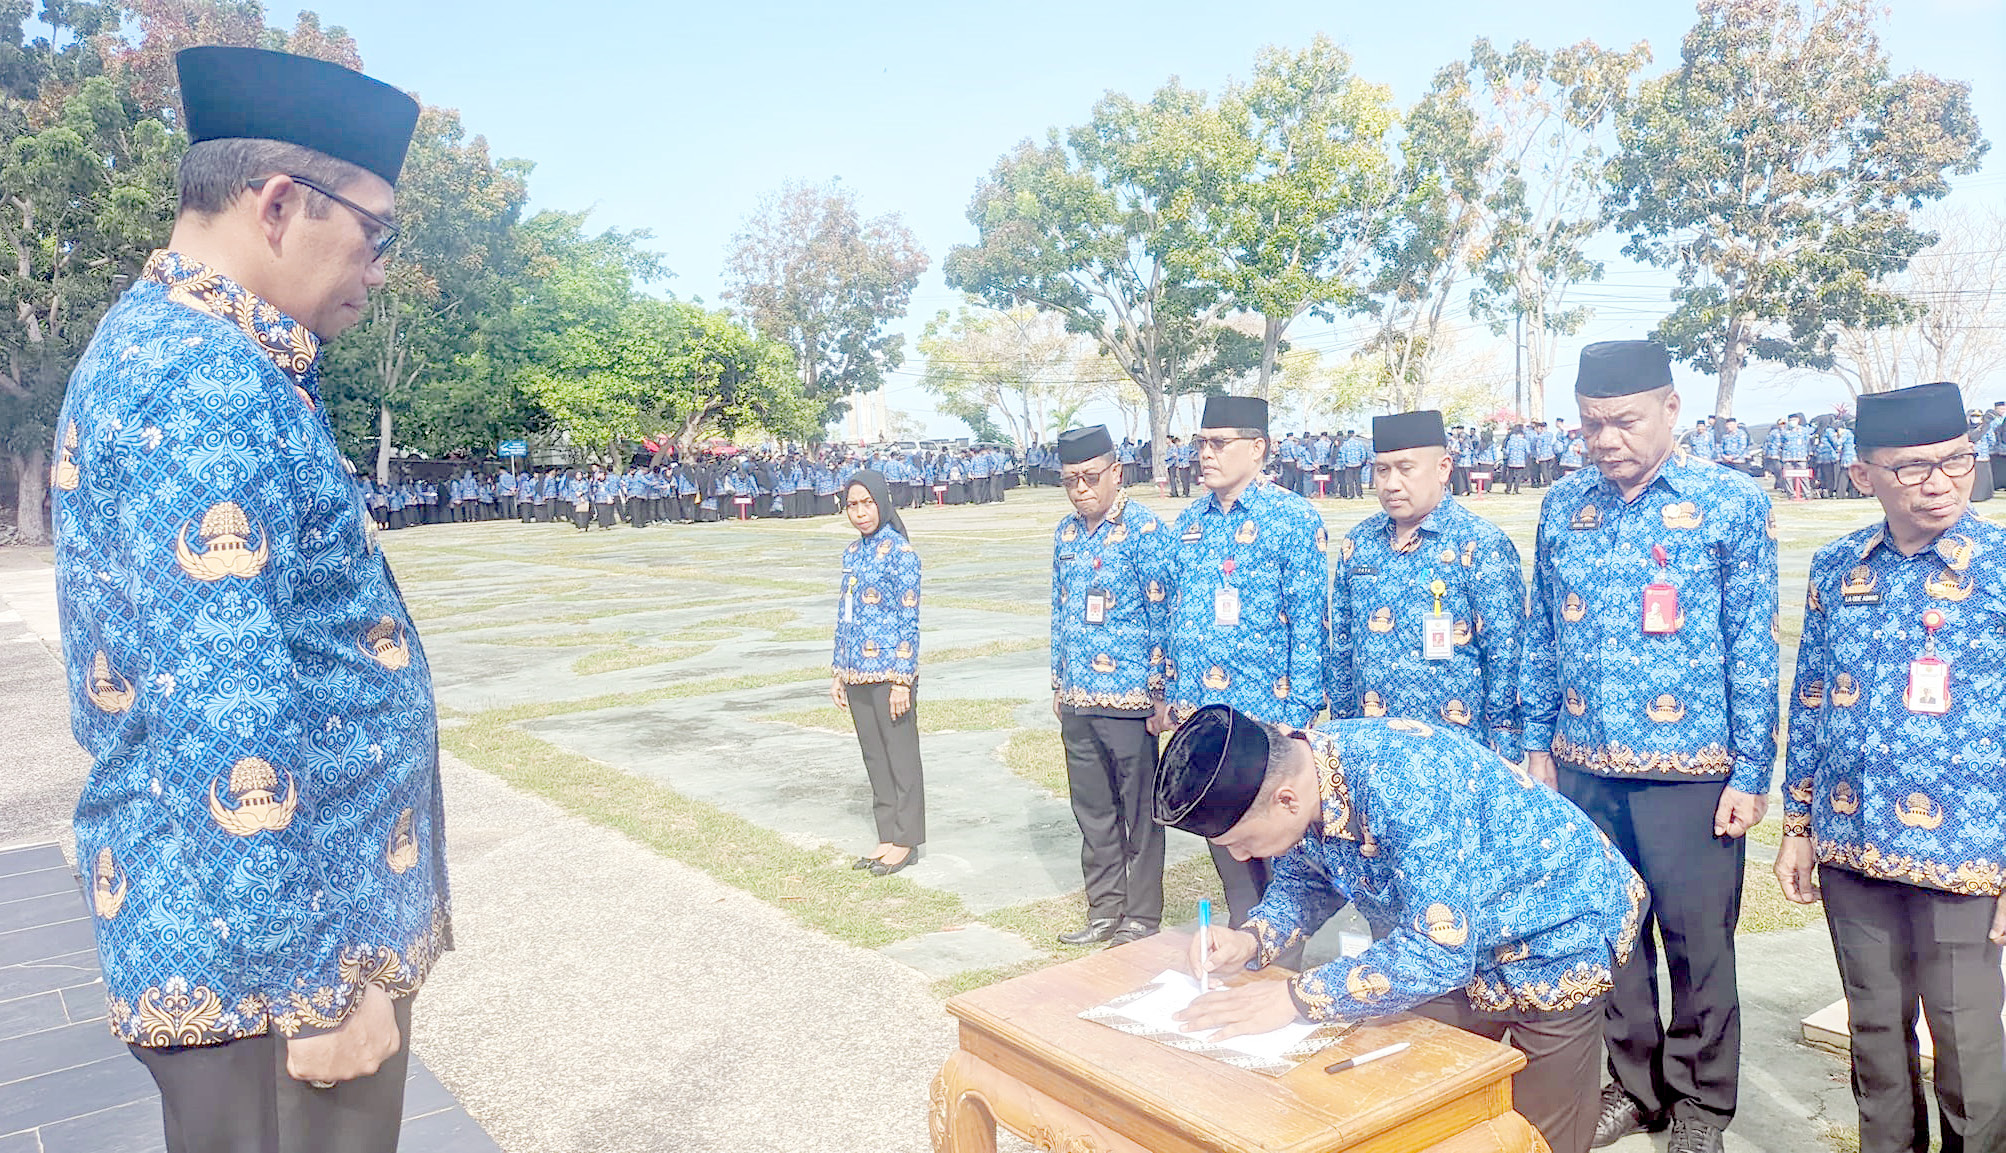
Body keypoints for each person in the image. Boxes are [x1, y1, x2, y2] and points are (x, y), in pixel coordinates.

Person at [49, 46, 446, 1153]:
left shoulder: (200, 351)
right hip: (270, 971)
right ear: (280, 204)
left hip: (257, 940)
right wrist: (312, 985)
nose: (377, 269)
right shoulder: (206, 381)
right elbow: (225, 710)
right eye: (377, 233)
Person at [1161, 706, 1648, 1153]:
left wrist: (1295, 998)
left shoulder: (1407, 781)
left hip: (1558, 934)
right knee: (1406, 1089)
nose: (1241, 857)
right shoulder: (1307, 771)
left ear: (1285, 800)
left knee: (1533, 1135)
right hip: (1457, 937)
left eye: (1242, 841)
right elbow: (1308, 877)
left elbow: (1439, 953)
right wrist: (1252, 938)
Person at [1520, 341, 1777, 1153]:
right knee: (1614, 939)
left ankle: (1701, 1107)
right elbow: (1541, 635)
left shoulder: (1730, 502)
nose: (1604, 438)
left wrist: (1752, 771)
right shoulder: (1565, 506)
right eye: (1591, 423)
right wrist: (1537, 746)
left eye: (1623, 420)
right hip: (1586, 764)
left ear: (1673, 408)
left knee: (1699, 945)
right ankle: (1637, 1088)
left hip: (1694, 774)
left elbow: (1752, 644)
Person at [1775, 381, 2006, 1153]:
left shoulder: (2001, 569)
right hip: (1854, 845)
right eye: (1913, 468)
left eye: (1956, 460)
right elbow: (1809, 700)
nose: (1939, 480)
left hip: (1966, 857)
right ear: (1865, 471)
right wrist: (1799, 826)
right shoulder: (1841, 567)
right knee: (1874, 1037)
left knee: (1968, 1047)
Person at [1161, 394, 1328, 968]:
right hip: (1208, 724)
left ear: (1257, 449)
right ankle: (1242, 955)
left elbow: (1311, 625)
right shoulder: (1188, 524)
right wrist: (1176, 697)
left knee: (1282, 857)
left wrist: (1299, 715)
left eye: (1218, 443)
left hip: (1269, 722)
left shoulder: (1293, 519)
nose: (1204, 455)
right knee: (1230, 852)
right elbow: (1178, 617)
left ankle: (1281, 971)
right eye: (1199, 443)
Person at [1328, 410, 1525, 760]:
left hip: (1458, 757)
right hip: (1371, 751)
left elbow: (1505, 658)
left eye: (1406, 469)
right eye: (1382, 469)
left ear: (1443, 469)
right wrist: (1339, 739)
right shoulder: (1358, 544)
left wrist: (1504, 753)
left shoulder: (1480, 544)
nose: (1391, 484)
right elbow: (1343, 649)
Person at [1048, 426, 1172, 948]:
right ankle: (1104, 910)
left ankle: (1142, 915)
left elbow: (1166, 612)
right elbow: (1059, 609)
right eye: (1071, 480)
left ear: (1116, 473)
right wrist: (1058, 680)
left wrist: (1162, 690)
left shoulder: (1145, 530)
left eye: (1090, 477)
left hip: (1130, 699)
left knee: (1139, 813)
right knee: (1093, 811)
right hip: (1078, 696)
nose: (1081, 488)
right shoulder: (1066, 533)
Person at [831, 469, 925, 876]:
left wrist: (903, 678)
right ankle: (886, 833)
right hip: (856, 673)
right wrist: (838, 670)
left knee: (901, 758)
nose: (860, 512)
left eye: (867, 503)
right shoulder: (852, 553)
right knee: (874, 756)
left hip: (890, 675)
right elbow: (844, 615)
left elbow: (909, 618)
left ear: (882, 503)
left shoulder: (902, 554)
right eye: (852, 505)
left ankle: (906, 839)